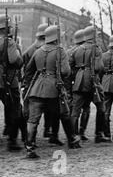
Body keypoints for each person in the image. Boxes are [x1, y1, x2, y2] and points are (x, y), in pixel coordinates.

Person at [24, 25, 80, 158]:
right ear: (56, 37)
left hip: (37, 88)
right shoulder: (60, 51)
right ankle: (72, 140)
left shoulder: (38, 51)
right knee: (65, 114)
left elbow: (28, 70)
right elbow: (66, 71)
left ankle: (30, 148)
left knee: (33, 120)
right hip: (54, 89)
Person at [69, 25, 108, 143]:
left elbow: (69, 67)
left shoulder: (76, 50)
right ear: (93, 36)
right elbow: (99, 67)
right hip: (92, 81)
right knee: (101, 108)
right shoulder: (96, 49)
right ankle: (98, 135)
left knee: (75, 111)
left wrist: (77, 76)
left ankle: (73, 136)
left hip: (79, 82)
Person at [0, 14, 24, 151]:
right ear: (7, 28)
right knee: (15, 109)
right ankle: (12, 141)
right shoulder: (9, 42)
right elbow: (15, 60)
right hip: (8, 80)